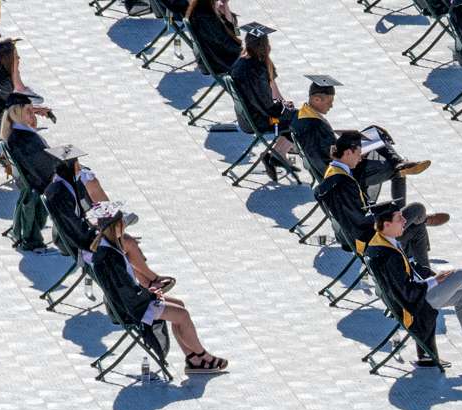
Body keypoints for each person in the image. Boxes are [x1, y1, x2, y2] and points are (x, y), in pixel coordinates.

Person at [83, 203, 228, 373]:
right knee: (182, 315)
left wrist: (149, 292)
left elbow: (126, 286)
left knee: (179, 305)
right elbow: (127, 291)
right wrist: (150, 294)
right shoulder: (111, 257)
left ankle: (193, 359)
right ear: (117, 226)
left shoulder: (107, 247)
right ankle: (203, 356)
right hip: (132, 309)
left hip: (128, 302)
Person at [363, 201, 462, 365]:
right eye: (399, 218)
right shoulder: (389, 255)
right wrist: (433, 281)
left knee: (461, 295)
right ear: (387, 224)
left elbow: (409, 271)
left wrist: (433, 276)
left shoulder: (382, 241)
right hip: (415, 304)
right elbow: (406, 292)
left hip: (411, 297)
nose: (404, 221)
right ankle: (456, 285)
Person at [318, 129, 442, 277]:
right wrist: (387, 214)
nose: (360, 158)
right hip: (370, 241)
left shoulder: (335, 173)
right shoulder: (345, 183)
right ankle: (426, 274)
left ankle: (427, 277)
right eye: (358, 154)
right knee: (417, 209)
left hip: (362, 233)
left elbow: (358, 210)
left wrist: (387, 211)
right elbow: (360, 220)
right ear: (348, 153)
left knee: (417, 227)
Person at [291, 74, 430, 195]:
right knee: (392, 169)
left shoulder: (303, 116)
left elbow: (326, 149)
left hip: (340, 162)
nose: (331, 106)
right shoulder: (314, 125)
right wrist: (353, 154)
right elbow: (326, 159)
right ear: (316, 100)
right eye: (329, 102)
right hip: (343, 174)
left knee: (375, 131)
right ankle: (399, 203)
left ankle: (399, 163)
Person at [228, 21, 300, 185]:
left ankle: (277, 154)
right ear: (265, 46)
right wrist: (283, 108)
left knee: (291, 114)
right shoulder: (257, 70)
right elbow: (268, 107)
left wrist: (282, 106)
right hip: (262, 122)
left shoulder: (240, 63)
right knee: (298, 118)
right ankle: (276, 155)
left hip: (246, 118)